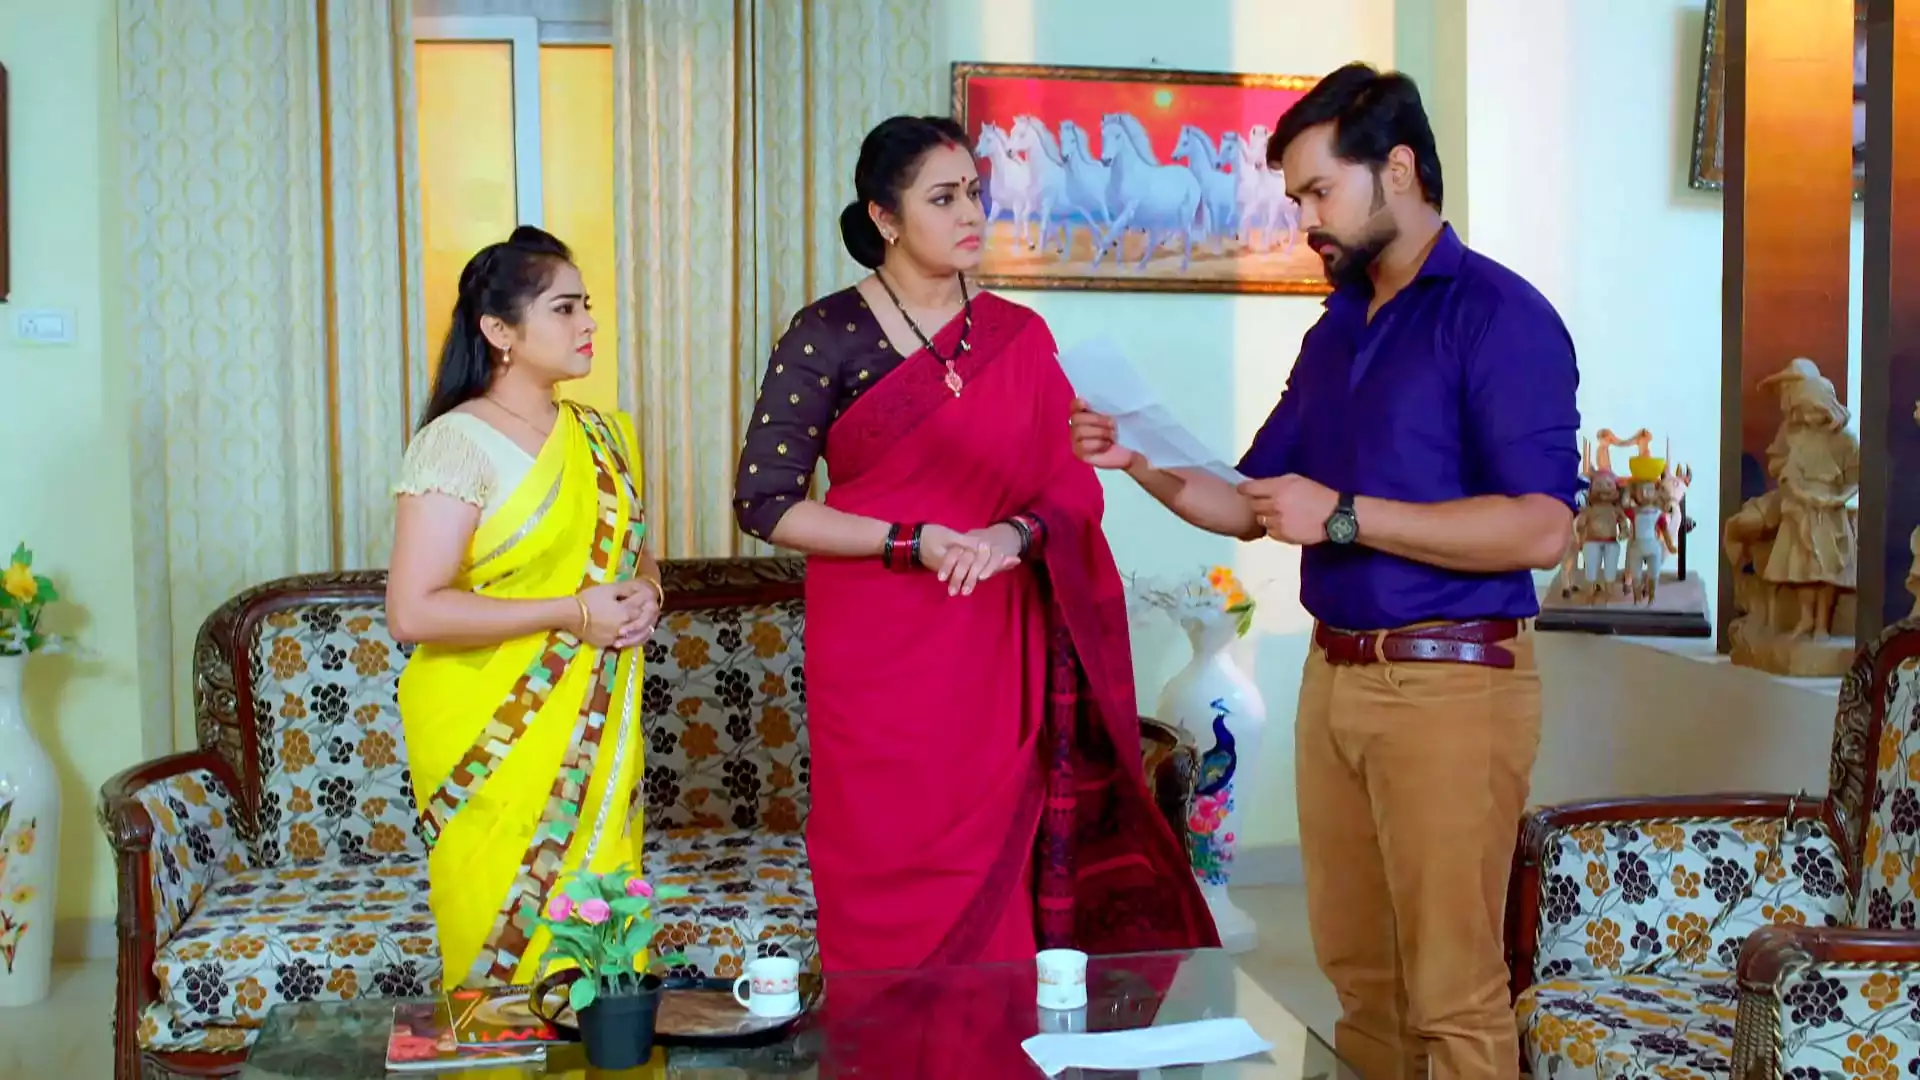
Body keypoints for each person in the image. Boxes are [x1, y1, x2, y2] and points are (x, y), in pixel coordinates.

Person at [1072, 64, 1580, 1080]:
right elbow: (1251, 502)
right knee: (1360, 979)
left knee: (1451, 990)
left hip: (1454, 684)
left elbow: (1540, 528)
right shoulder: (1340, 324)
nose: (1305, 218)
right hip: (1336, 680)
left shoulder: (1499, 314)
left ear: (1397, 169)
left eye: (1318, 191)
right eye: (1297, 196)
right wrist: (1139, 462)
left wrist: (1343, 515)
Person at [732, 115, 1215, 975]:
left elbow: (1071, 486)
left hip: (996, 641)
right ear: (884, 217)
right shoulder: (826, 333)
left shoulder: (1019, 337)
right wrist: (908, 541)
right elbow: (764, 504)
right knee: (882, 858)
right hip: (877, 651)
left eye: (974, 194)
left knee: (1000, 877)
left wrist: (1008, 533)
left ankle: (995, 1040)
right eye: (943, 198)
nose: (970, 214)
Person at [386, 226, 664, 989]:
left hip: (596, 725)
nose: (589, 324)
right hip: (491, 730)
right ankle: (501, 1051)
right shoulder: (456, 443)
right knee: (500, 940)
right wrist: (573, 612)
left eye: (588, 306)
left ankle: (604, 1049)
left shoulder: (604, 436)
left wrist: (648, 595)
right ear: (500, 331)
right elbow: (413, 611)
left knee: (601, 933)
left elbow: (638, 562)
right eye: (565, 309)